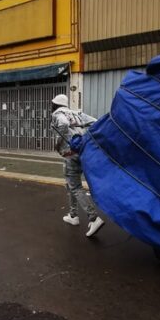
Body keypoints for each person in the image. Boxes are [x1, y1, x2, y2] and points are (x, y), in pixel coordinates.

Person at [50, 94, 105, 238]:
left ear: (56, 105)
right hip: (80, 152)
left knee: (75, 187)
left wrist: (57, 144)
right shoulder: (76, 113)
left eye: (53, 104)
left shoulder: (58, 114)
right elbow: (95, 122)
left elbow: (63, 124)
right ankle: (73, 215)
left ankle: (93, 218)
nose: (52, 106)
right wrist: (83, 138)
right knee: (71, 185)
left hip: (69, 155)